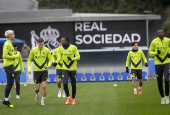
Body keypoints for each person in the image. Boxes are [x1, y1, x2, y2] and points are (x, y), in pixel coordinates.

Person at [27, 38, 52, 105]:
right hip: (36, 71)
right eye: (39, 45)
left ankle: (42, 101)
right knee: (37, 89)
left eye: (42, 45)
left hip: (44, 71)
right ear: (37, 43)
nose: (41, 46)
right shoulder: (33, 50)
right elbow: (29, 60)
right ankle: (37, 94)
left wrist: (48, 66)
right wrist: (29, 69)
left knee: (44, 86)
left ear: (43, 43)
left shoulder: (47, 50)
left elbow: (50, 60)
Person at [56, 37, 80, 105]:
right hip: (65, 69)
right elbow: (60, 57)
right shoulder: (61, 49)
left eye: (62, 41)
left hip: (73, 69)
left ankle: (73, 99)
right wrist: (56, 62)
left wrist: (72, 59)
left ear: (66, 41)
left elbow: (78, 56)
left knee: (73, 85)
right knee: (65, 83)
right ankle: (68, 97)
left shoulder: (73, 47)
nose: (61, 42)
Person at [149, 29, 170, 104]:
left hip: (166, 62)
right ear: (157, 34)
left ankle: (167, 97)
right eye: (159, 32)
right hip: (158, 63)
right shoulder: (154, 41)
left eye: (162, 32)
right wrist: (156, 52)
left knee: (167, 80)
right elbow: (150, 51)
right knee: (159, 81)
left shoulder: (168, 40)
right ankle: (162, 97)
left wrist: (169, 53)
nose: (161, 33)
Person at [2, 30, 20, 107]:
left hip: (11, 66)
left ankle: (6, 100)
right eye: (13, 34)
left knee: (11, 83)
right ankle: (6, 100)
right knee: (10, 83)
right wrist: (15, 56)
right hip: (8, 66)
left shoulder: (10, 43)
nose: (14, 35)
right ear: (9, 36)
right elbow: (4, 56)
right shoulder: (7, 44)